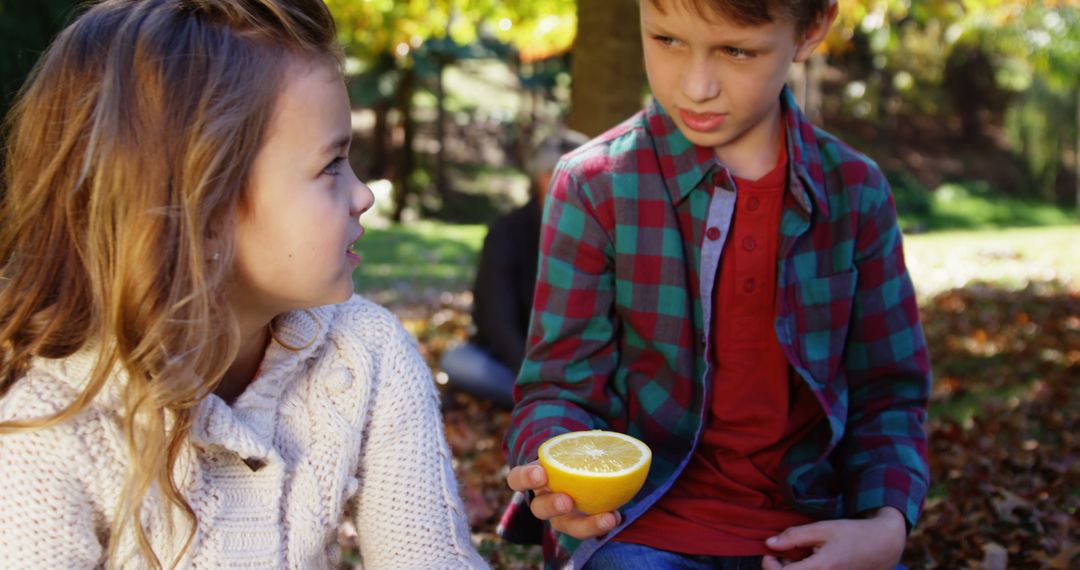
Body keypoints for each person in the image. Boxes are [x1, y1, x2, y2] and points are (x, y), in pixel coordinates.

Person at [0, 1, 487, 568]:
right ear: (201, 210)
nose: (363, 195)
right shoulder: (43, 429)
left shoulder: (367, 355)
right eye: (330, 166)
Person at [501, 0, 931, 568]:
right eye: (667, 40)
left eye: (736, 50)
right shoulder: (594, 186)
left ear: (812, 28)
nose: (696, 86)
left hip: (815, 528)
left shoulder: (857, 193)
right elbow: (558, 387)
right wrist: (555, 474)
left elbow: (889, 393)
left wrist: (884, 526)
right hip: (643, 529)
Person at [440, 131, 589, 409]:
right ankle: (547, 401)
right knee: (458, 362)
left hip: (580, 365)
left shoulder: (595, 232)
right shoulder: (506, 233)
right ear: (544, 178)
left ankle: (565, 402)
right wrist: (535, 378)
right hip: (517, 362)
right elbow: (499, 323)